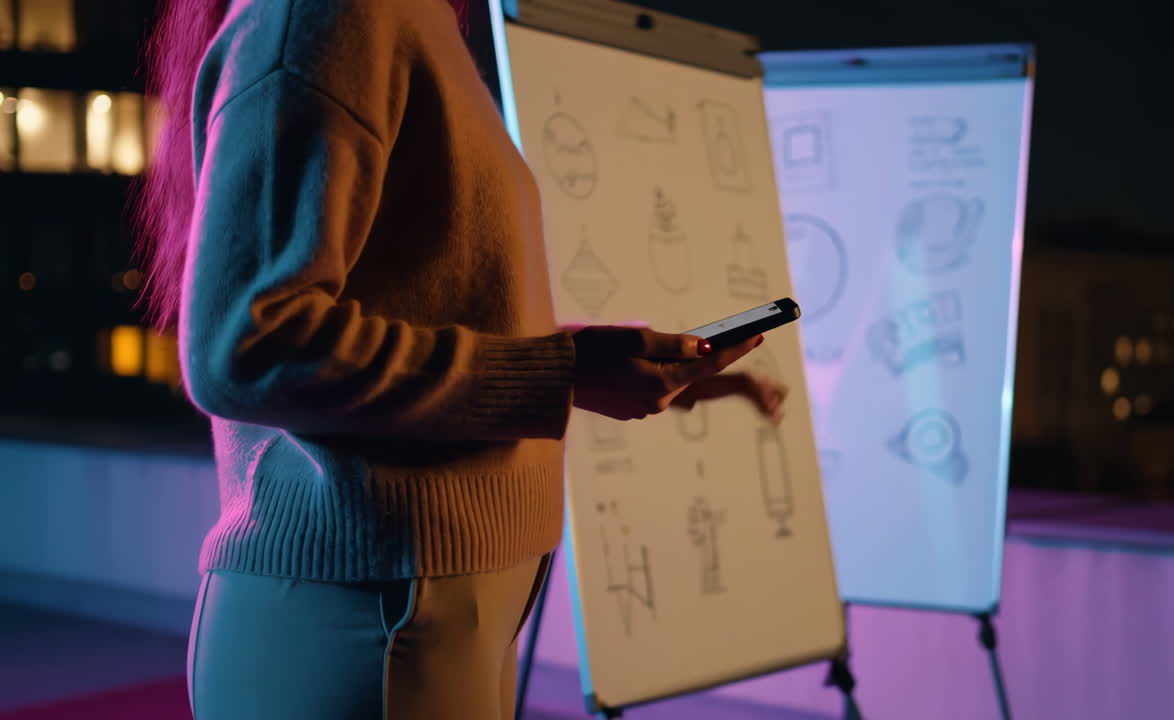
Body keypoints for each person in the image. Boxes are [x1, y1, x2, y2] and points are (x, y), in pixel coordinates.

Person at [132, 0, 787, 718]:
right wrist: (557, 371)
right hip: (371, 606)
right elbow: (246, 347)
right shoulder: (332, 12)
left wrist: (586, 369)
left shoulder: (399, 19)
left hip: (420, 601)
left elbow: (419, 300)